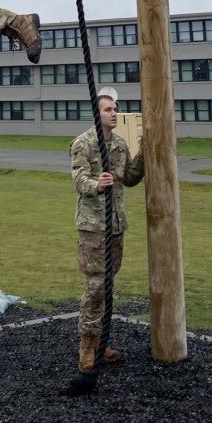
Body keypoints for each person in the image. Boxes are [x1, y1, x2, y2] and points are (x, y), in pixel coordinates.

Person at [70, 94, 145, 372]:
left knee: (108, 285)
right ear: (96, 113)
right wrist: (96, 184)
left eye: (116, 109)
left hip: (115, 226)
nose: (114, 113)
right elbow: (78, 179)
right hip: (93, 226)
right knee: (96, 286)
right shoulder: (84, 143)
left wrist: (145, 151)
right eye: (108, 109)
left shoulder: (120, 145)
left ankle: (101, 344)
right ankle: (87, 347)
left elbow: (131, 178)